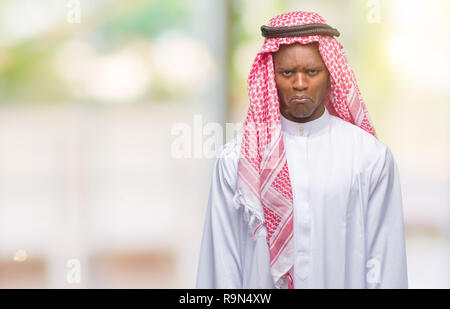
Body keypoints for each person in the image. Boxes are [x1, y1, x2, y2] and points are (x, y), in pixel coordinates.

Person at [196, 11, 408, 289]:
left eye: (311, 71)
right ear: (270, 78)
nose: (299, 83)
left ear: (330, 74)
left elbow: (386, 262)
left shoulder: (369, 157)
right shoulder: (236, 160)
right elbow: (221, 266)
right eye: (286, 73)